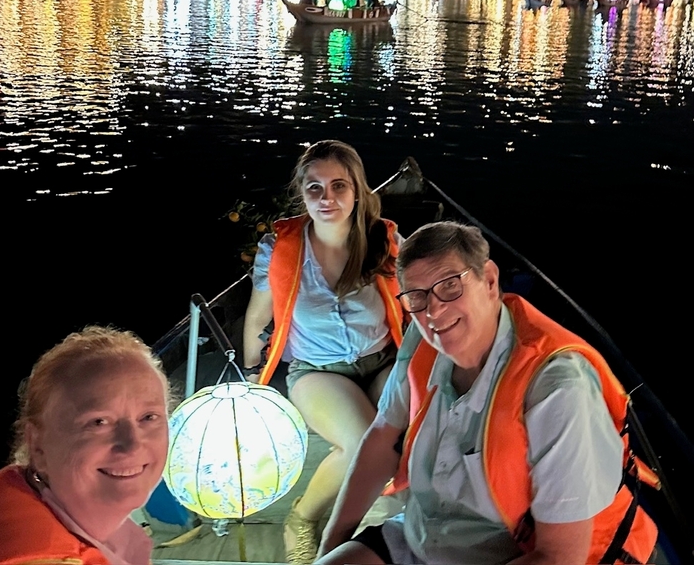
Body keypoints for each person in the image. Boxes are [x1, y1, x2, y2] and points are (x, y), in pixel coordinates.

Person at [318, 221, 658, 565]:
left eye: (450, 286)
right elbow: (381, 439)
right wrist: (331, 546)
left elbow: (558, 557)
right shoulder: (423, 341)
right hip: (424, 537)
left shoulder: (558, 387)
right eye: (417, 297)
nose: (434, 311)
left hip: (510, 553)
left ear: (490, 281)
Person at [242, 140, 405, 565]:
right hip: (318, 371)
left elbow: (415, 303)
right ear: (302, 193)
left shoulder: (383, 240)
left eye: (339, 186)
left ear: (357, 191)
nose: (327, 198)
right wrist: (249, 379)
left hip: (382, 361)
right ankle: (303, 520)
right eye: (315, 188)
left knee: (410, 432)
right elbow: (258, 319)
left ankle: (370, 527)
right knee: (363, 444)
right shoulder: (281, 249)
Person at [0, 325, 170, 565]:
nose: (132, 444)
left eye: (149, 417)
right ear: (37, 445)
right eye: (98, 422)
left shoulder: (13, 498)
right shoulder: (37, 557)